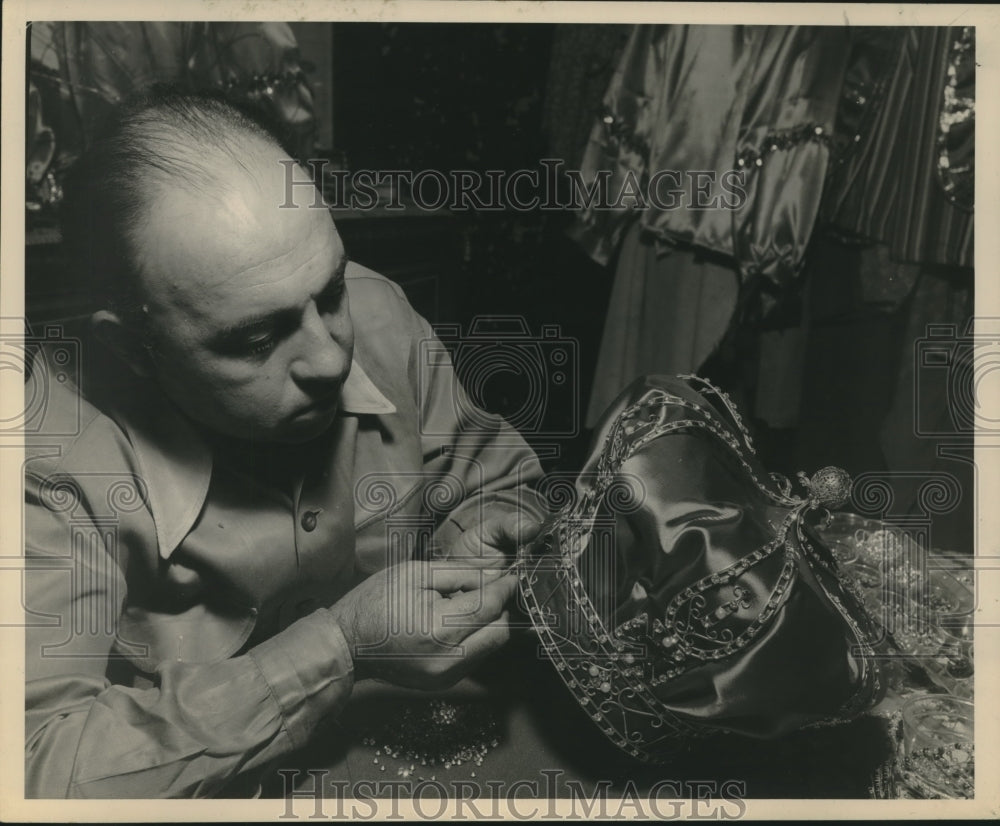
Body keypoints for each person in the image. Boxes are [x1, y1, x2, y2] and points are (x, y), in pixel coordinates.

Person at [23, 90, 546, 798]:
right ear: (134, 350)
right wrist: (342, 647)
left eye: (329, 292)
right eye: (256, 340)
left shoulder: (379, 311)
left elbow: (493, 479)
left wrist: (477, 533)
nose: (331, 358)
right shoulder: (47, 464)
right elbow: (39, 772)